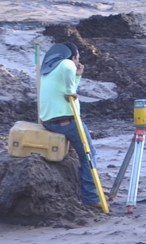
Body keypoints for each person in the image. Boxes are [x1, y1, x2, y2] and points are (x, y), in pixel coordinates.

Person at [37, 44, 101, 210]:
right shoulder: (66, 64)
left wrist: (77, 78)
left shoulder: (50, 68)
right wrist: (69, 90)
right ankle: (91, 197)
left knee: (81, 151)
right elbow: (68, 86)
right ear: (73, 57)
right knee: (89, 154)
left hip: (49, 120)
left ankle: (86, 190)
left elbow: (68, 87)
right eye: (77, 59)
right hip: (65, 121)